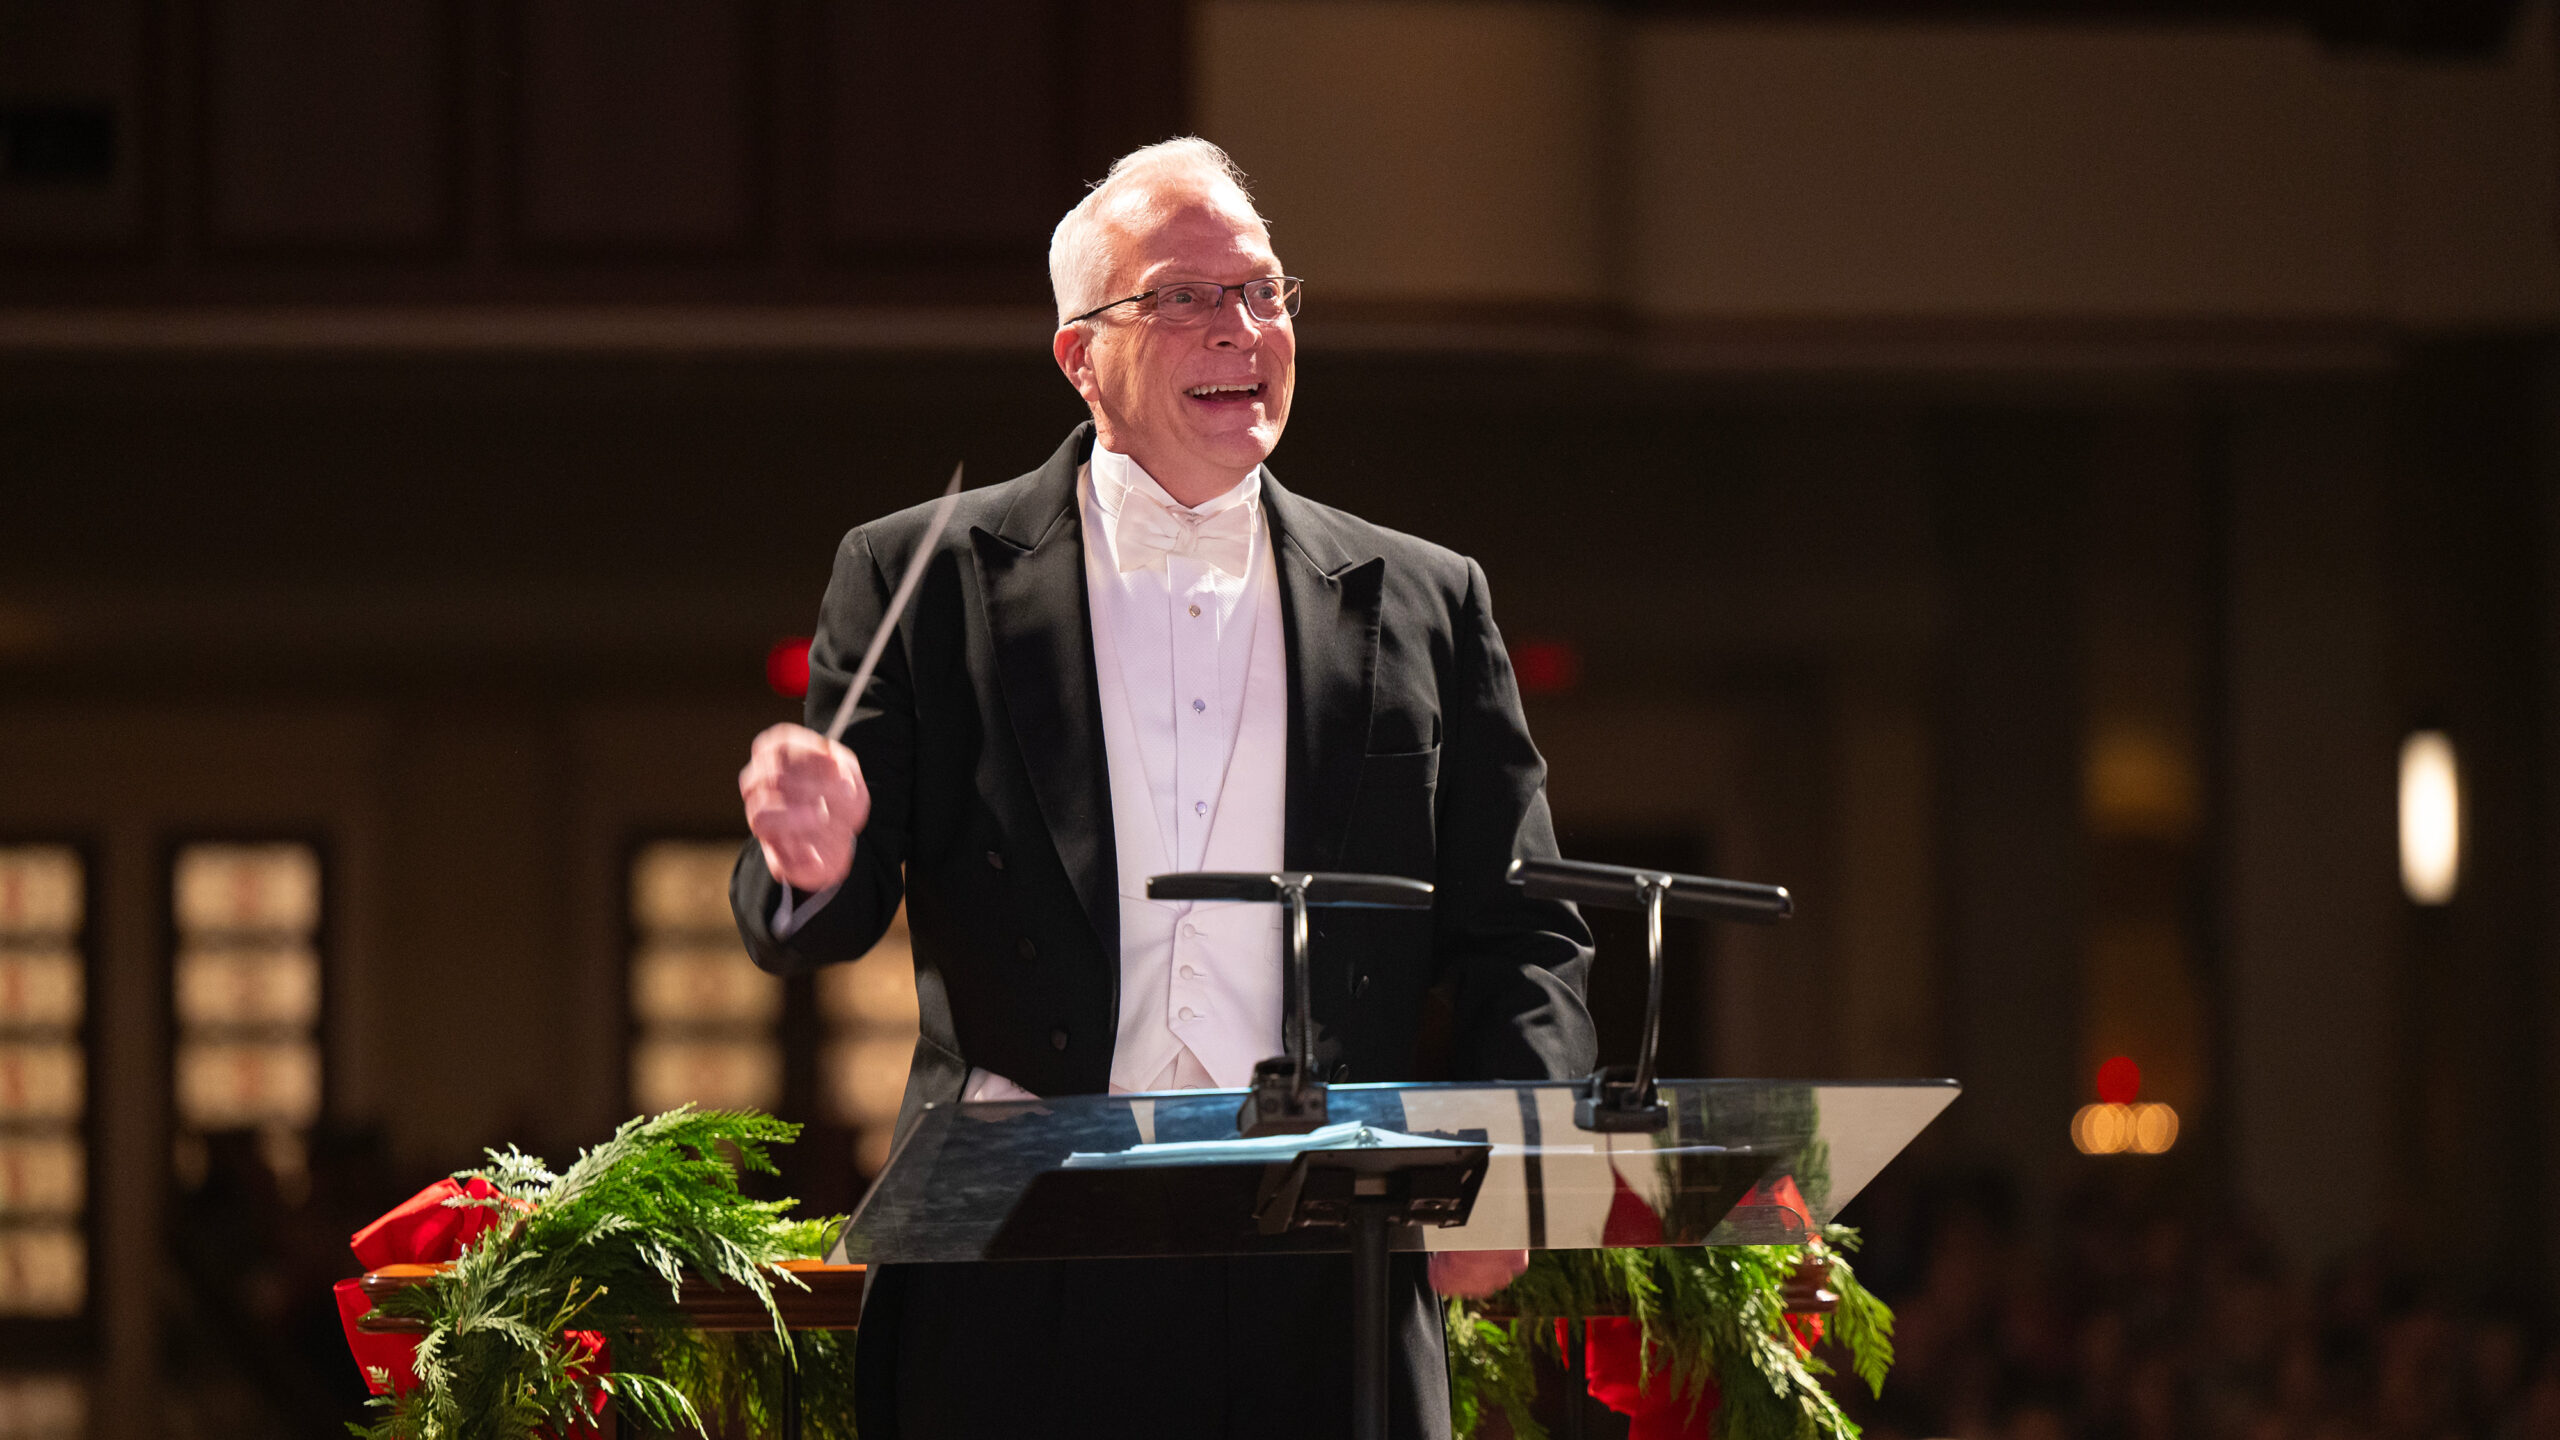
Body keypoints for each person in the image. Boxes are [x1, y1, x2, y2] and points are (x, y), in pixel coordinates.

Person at [730, 137, 1595, 1439]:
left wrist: (1515, 1169)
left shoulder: (1428, 598)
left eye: (1263, 291)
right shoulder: (924, 577)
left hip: (1330, 1264)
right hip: (1017, 1265)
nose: (1240, 327)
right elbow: (818, 916)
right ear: (1081, 354)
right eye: (1184, 296)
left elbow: (1523, 931)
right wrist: (812, 856)